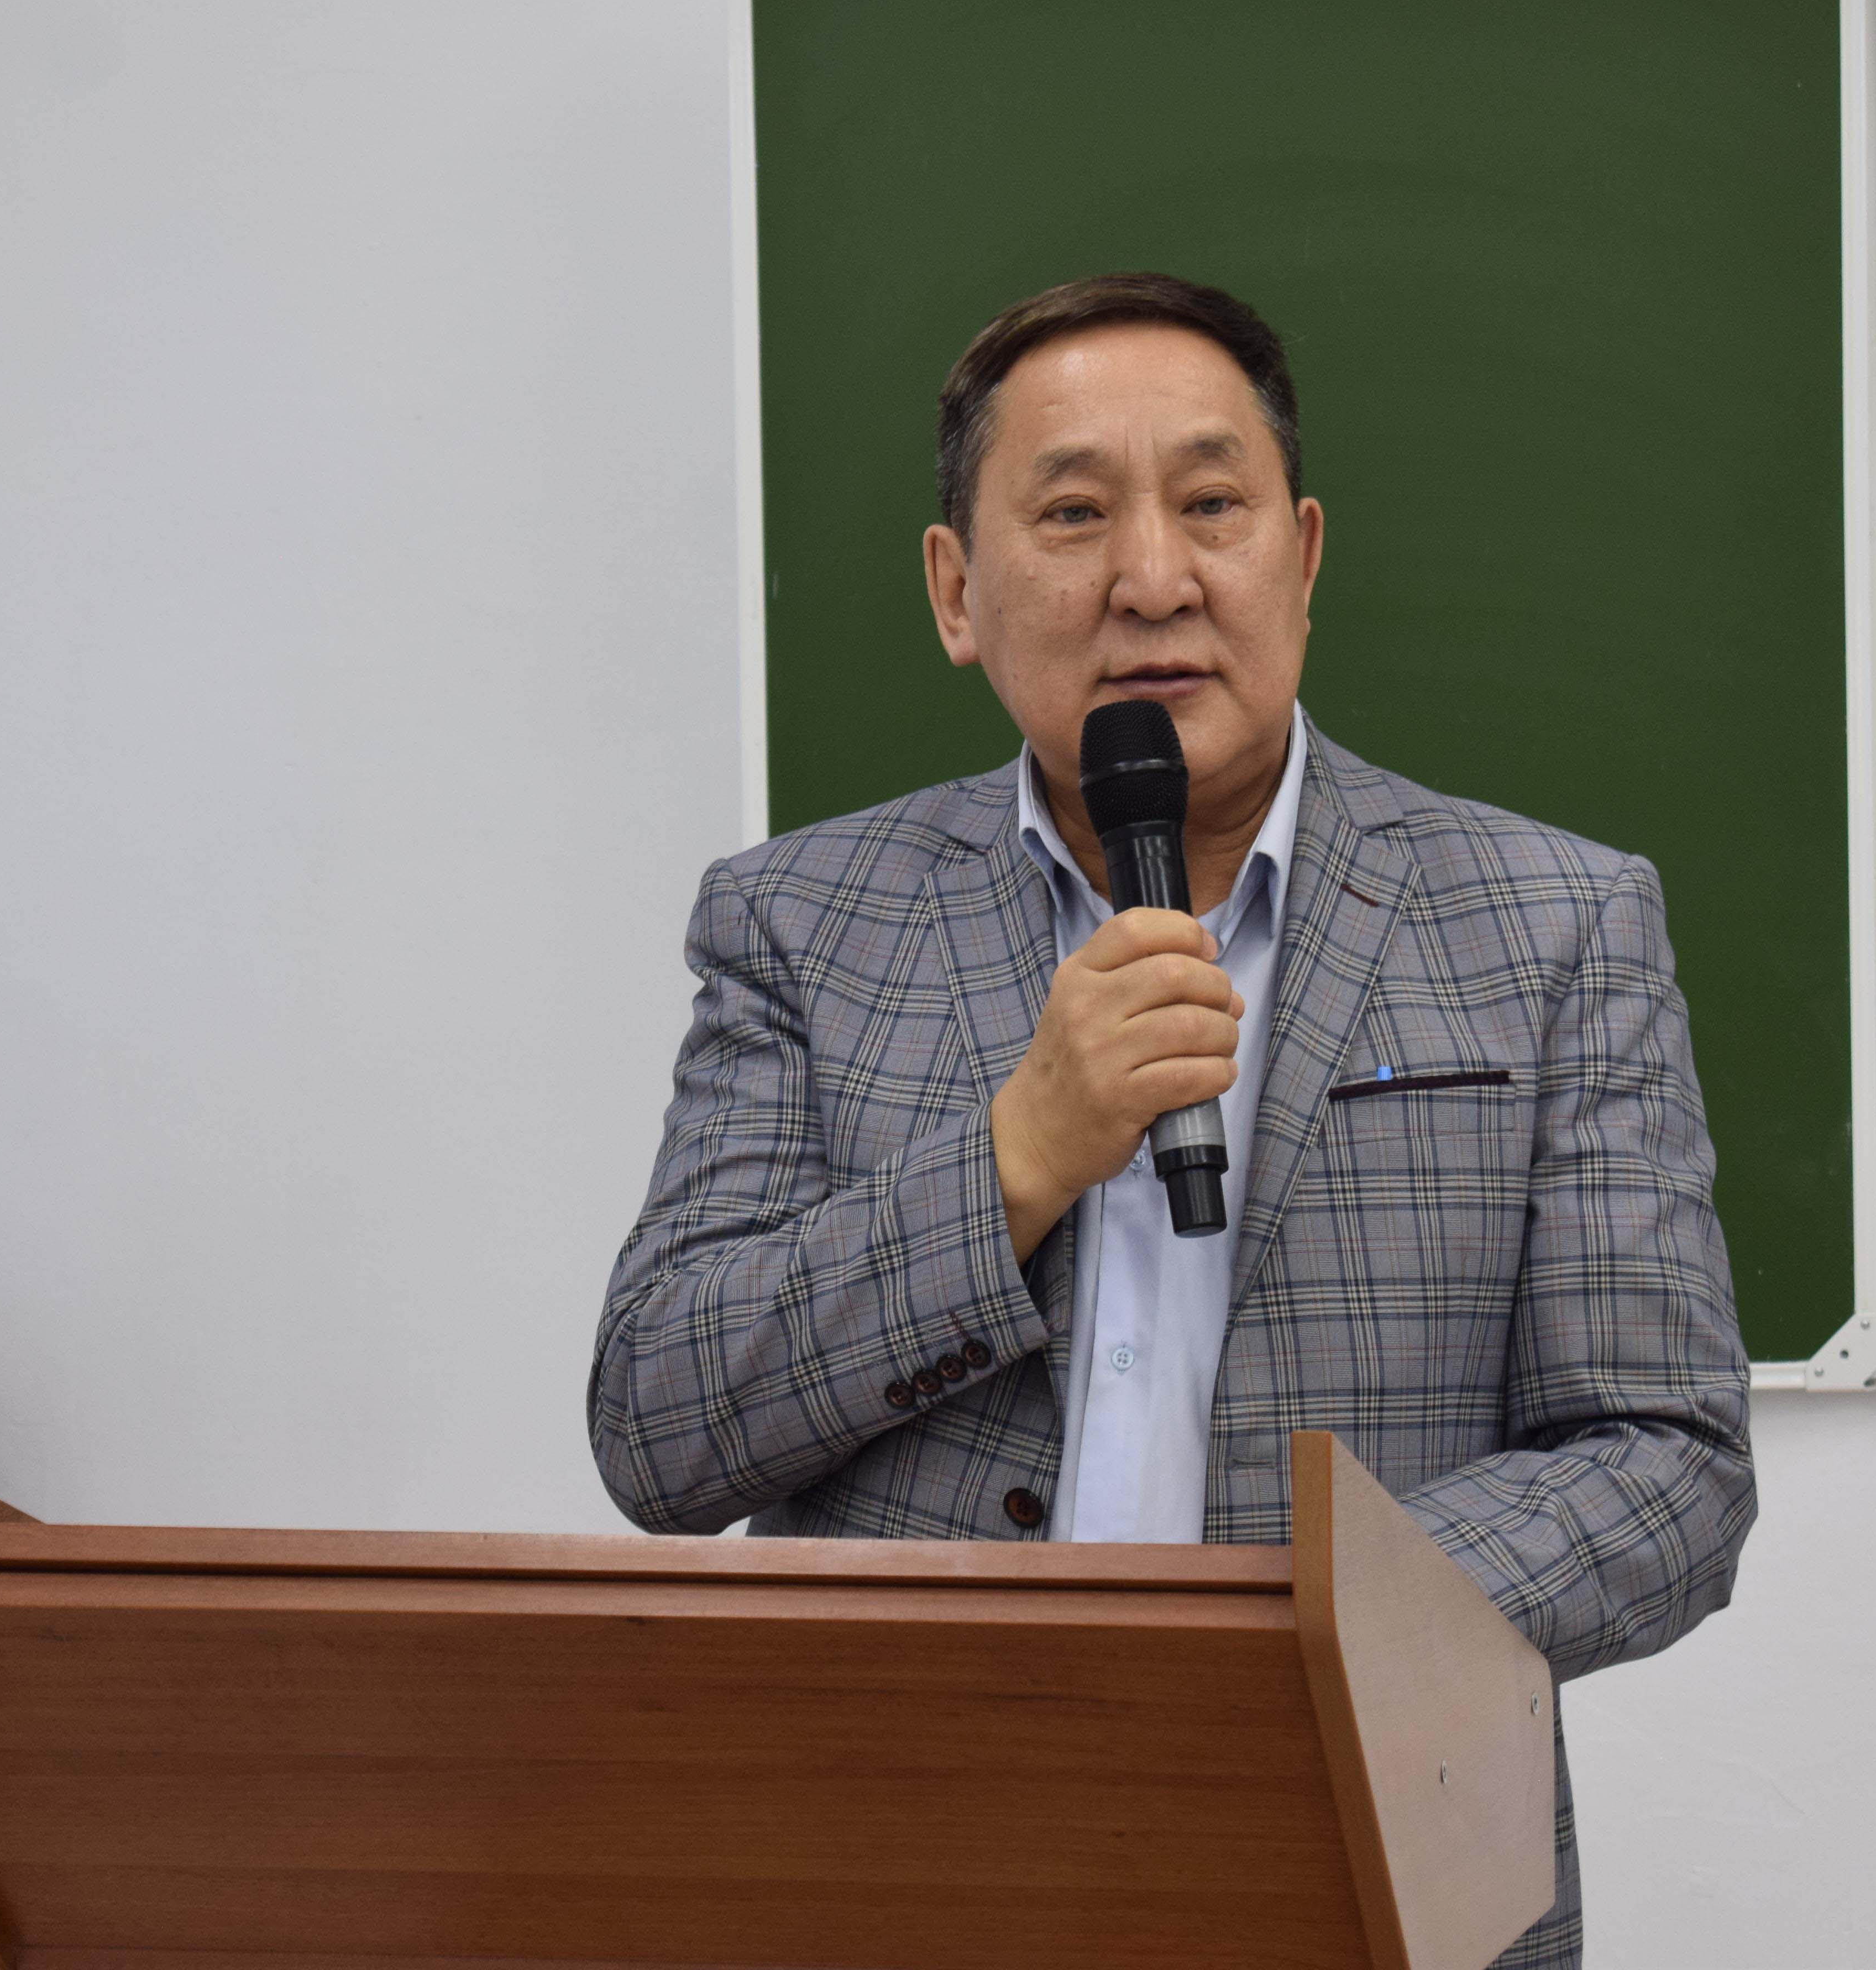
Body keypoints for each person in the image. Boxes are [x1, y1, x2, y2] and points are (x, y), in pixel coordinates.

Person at [592, 271, 1754, 1964]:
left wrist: (1310, 1635)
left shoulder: (1554, 925)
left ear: (1303, 556)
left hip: (1361, 1867)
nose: (1154, 576)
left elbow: (1667, 1466)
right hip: (906, 1870)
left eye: (1212, 504)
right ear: (956, 591)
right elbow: (662, 1424)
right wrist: (1016, 1159)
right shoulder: (801, 924)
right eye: (1073, 513)